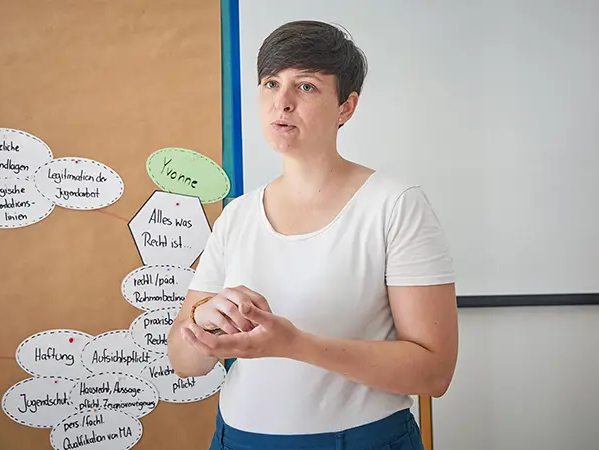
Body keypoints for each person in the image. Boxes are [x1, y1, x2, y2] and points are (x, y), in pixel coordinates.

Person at [168, 19, 458, 450]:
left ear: (346, 107)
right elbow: (183, 363)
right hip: (236, 439)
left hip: (361, 440)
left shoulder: (395, 205)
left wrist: (296, 344)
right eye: (271, 83)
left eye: (306, 87)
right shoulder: (238, 215)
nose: (281, 103)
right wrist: (202, 324)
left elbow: (434, 373)